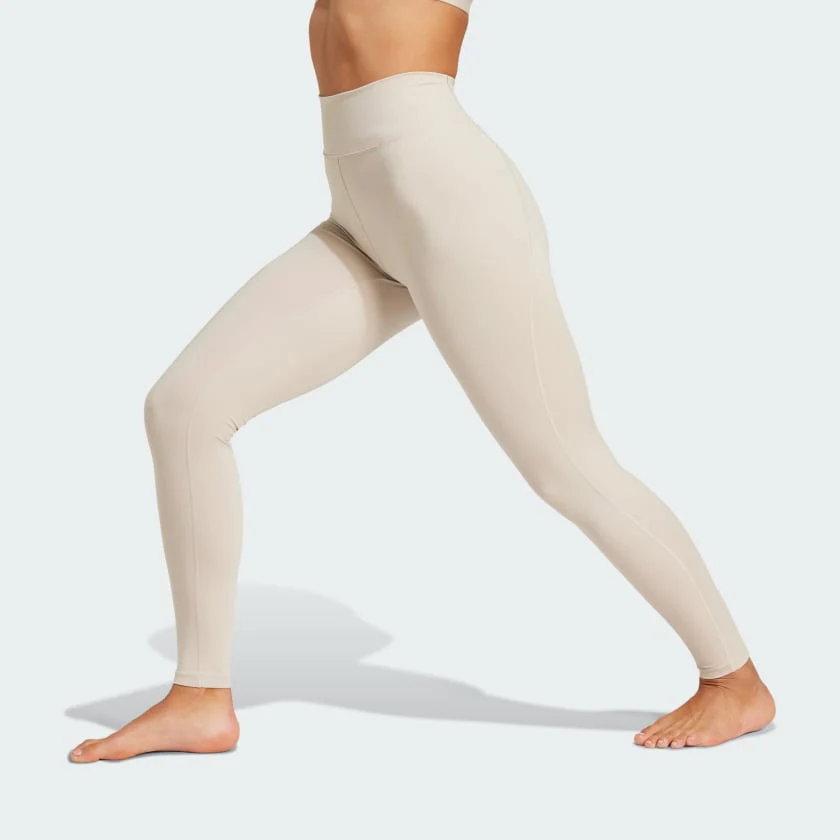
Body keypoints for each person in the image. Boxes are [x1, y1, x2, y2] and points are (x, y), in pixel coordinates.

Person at [69, 0, 775, 762]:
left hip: (448, 191)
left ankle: (734, 679)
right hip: (361, 210)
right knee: (184, 408)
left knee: (567, 465)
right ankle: (199, 695)